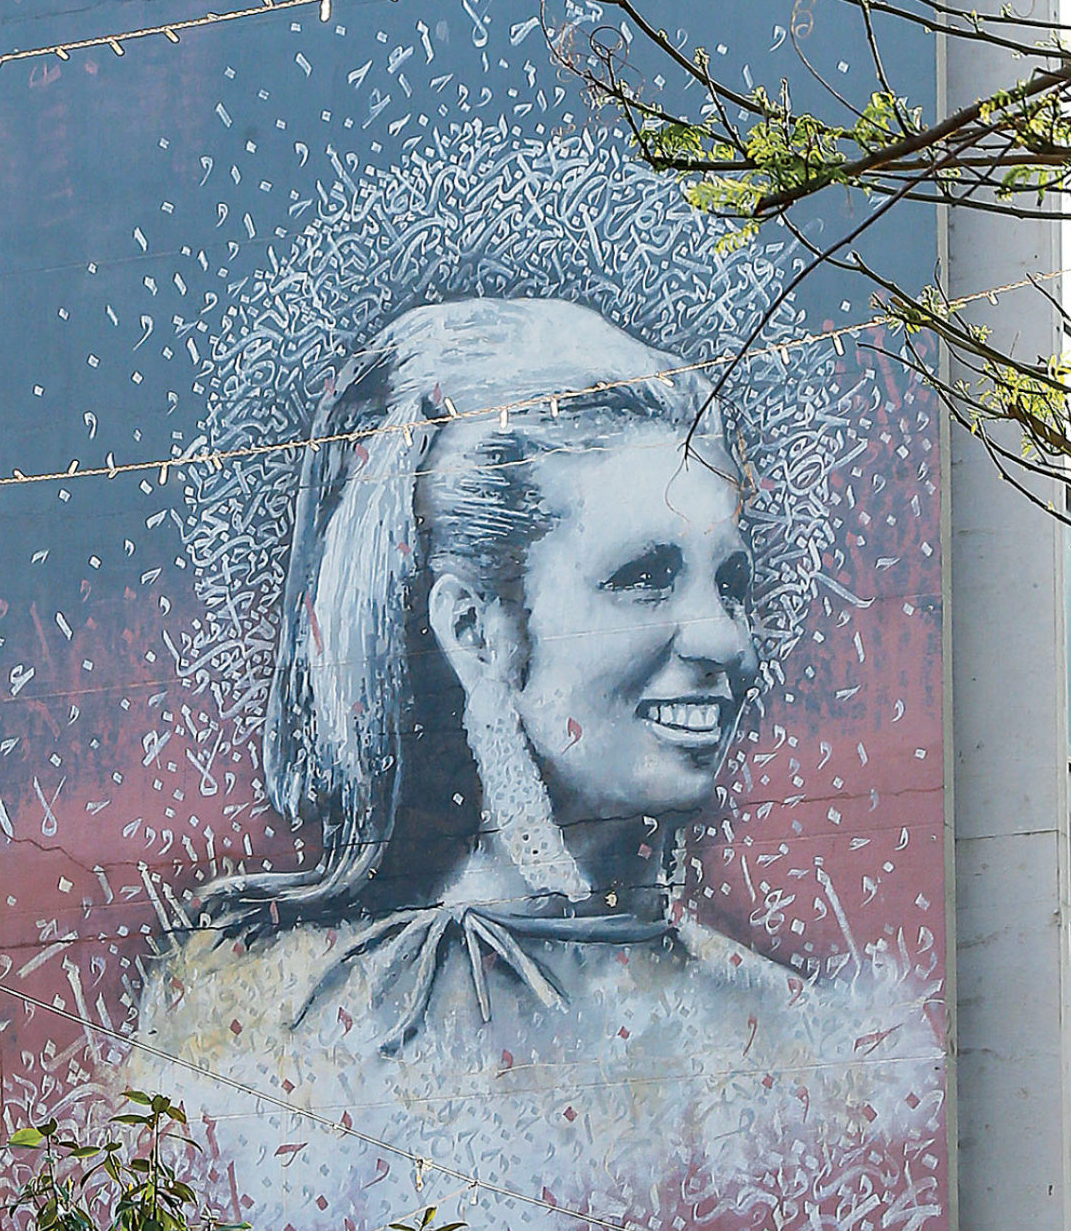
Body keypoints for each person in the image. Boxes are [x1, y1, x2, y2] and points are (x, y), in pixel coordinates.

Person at [170, 295, 774, 1051]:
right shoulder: (295, 1033)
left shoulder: (802, 1033)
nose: (727, 642)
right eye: (644, 576)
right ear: (475, 630)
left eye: (732, 585)